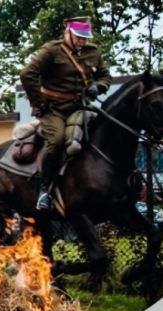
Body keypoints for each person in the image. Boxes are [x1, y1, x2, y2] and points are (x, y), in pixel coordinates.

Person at [20, 16, 112, 210]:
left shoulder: (93, 52)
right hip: (54, 109)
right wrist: (39, 103)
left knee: (104, 133)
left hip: (80, 106)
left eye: (85, 37)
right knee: (58, 141)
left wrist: (98, 86)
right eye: (78, 37)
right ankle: (45, 190)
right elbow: (27, 74)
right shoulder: (52, 50)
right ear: (68, 32)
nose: (82, 41)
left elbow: (105, 76)